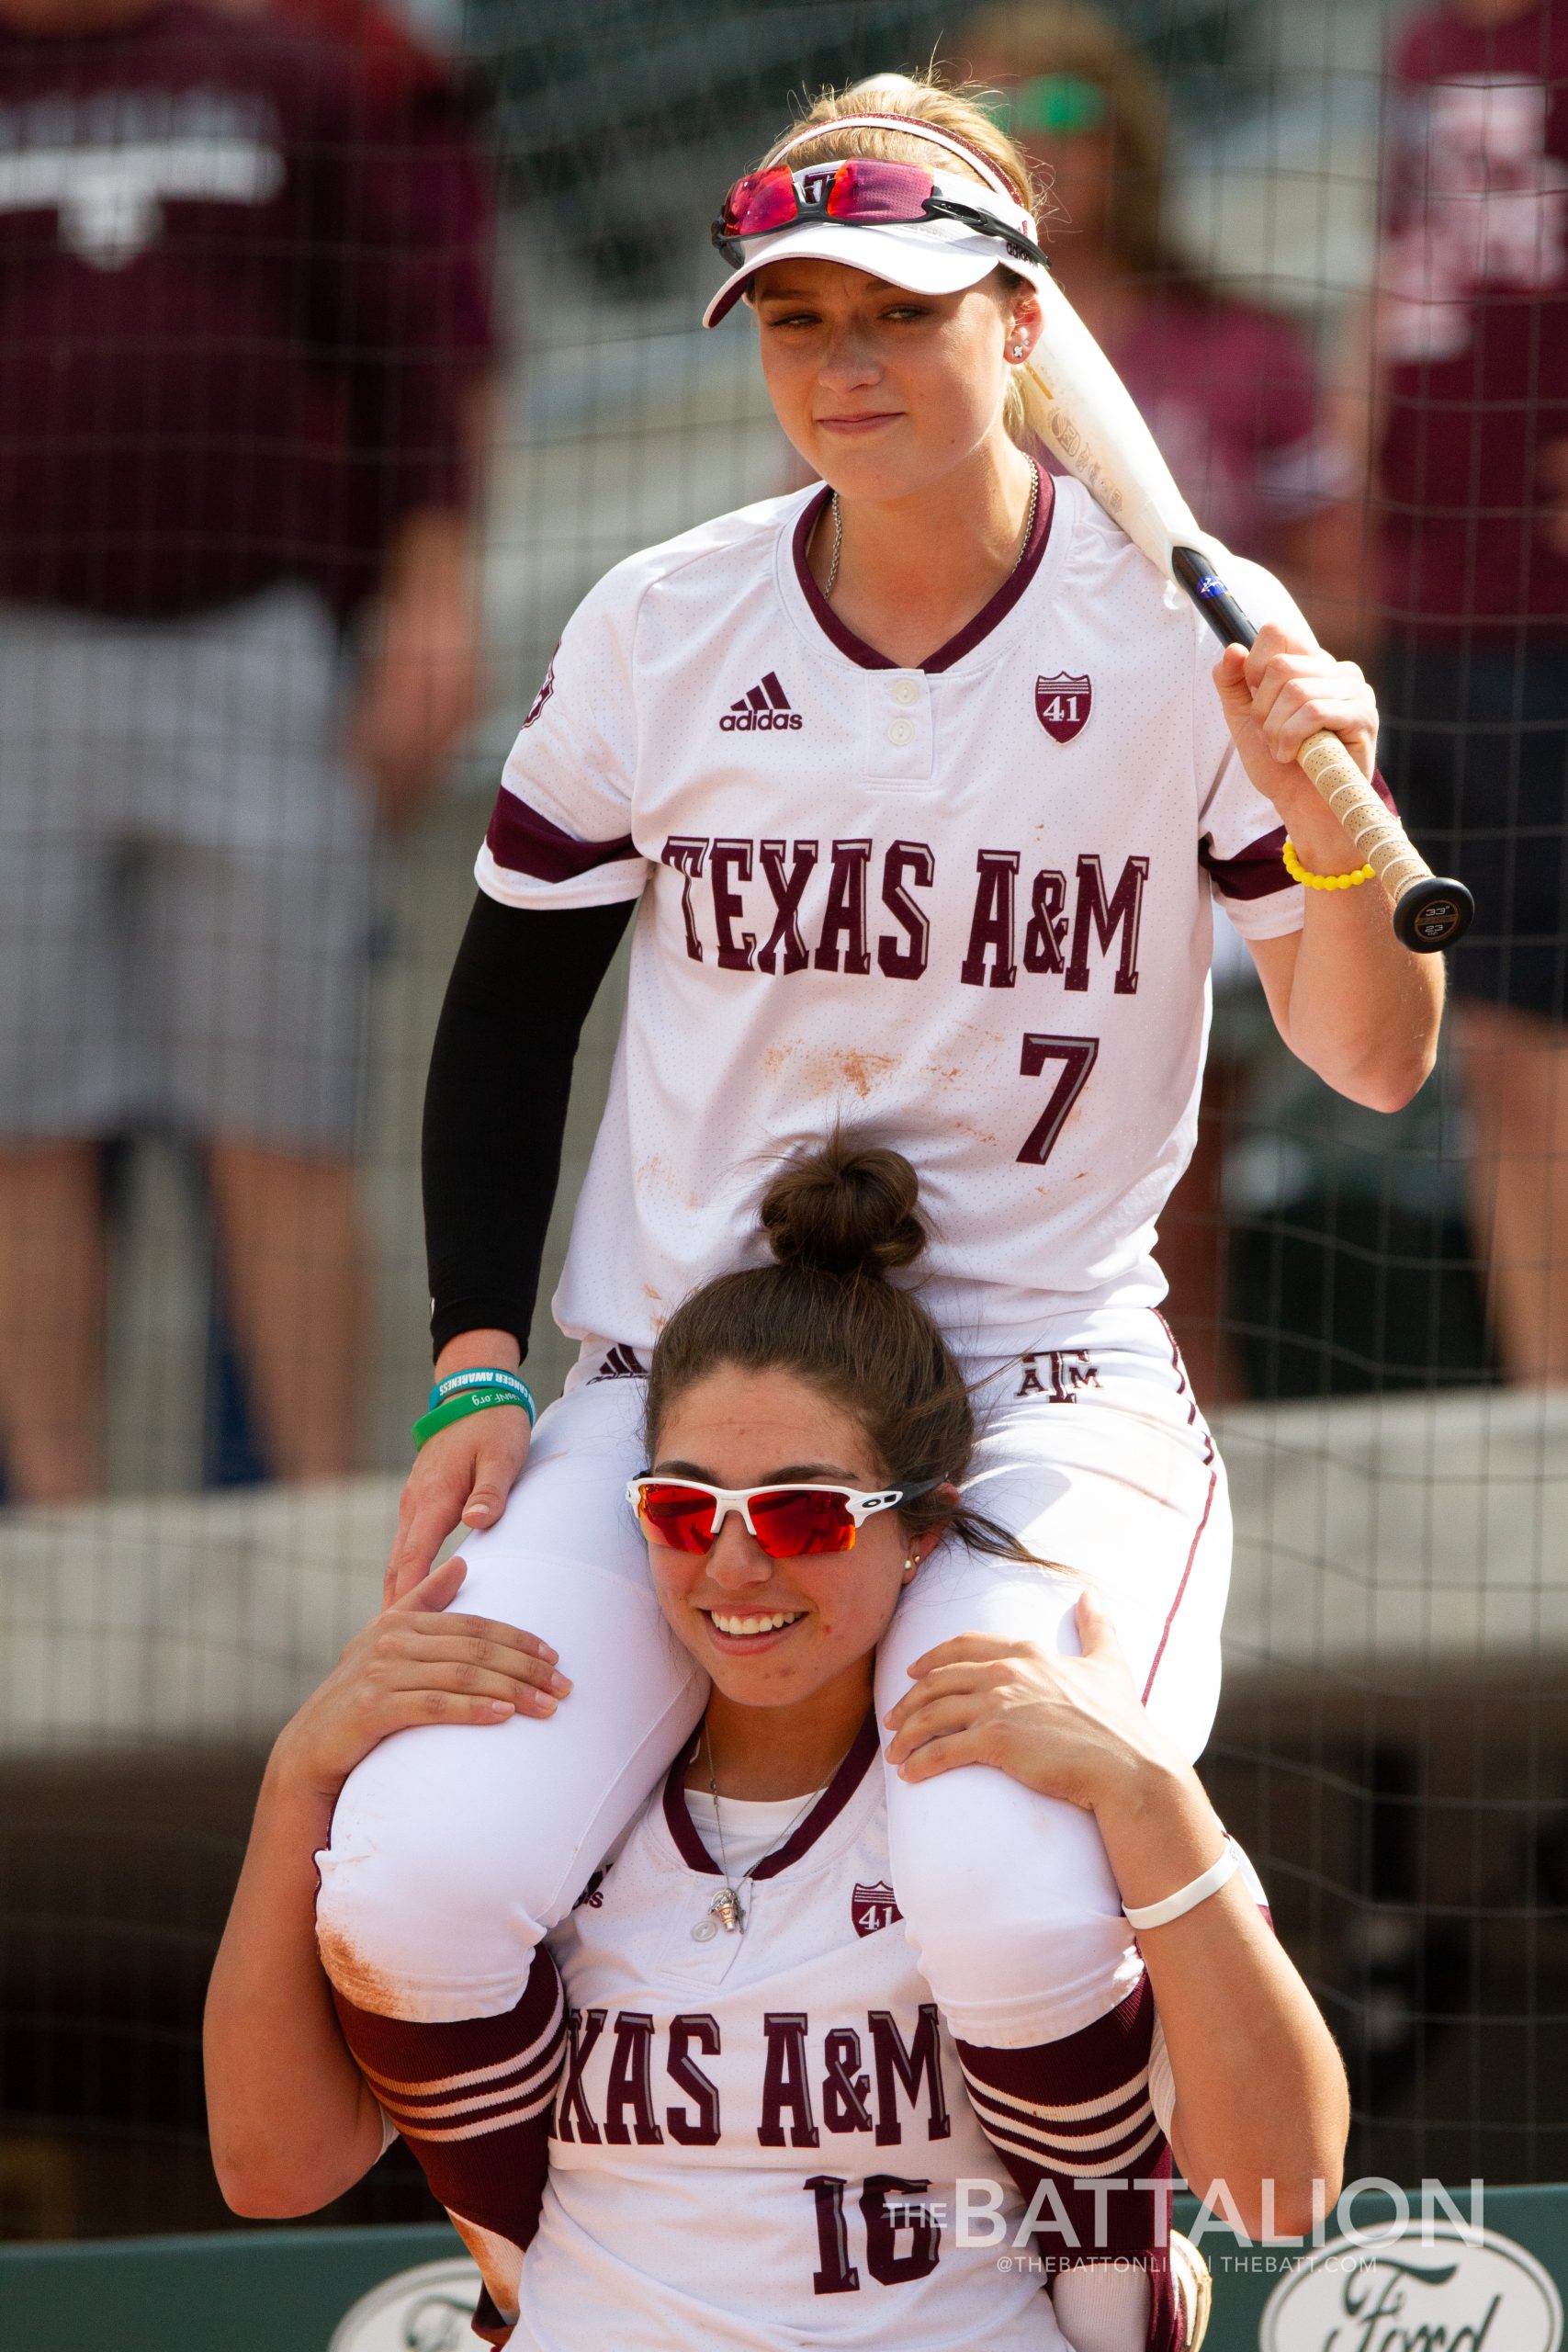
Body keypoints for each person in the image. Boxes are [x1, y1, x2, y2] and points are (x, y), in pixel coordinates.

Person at [312, 64, 1438, 2352]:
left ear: (1018, 322)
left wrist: (1325, 808)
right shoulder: (658, 622)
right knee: (414, 1879)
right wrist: (472, 1351)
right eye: (790, 315)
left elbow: (1371, 1050)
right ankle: (554, 2278)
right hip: (680, 1387)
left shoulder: (1168, 645)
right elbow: (506, 1010)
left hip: (1029, 1386)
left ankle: (1107, 2281)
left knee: (1021, 1895)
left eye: (897, 313)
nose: (839, 362)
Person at [207, 1140, 1350, 2349]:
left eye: (804, 1514)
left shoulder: (1022, 1800)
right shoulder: (547, 1805)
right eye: (684, 1510)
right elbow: (272, 2171)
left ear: (922, 1527)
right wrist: (300, 1783)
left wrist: (1154, 1795)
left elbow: (1282, 2188)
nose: (737, 1564)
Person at [0, 0, 491, 1499]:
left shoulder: (282, 74)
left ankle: (323, 1542)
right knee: (20, 1130)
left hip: (258, 645)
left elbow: (407, 352)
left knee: (284, 1123)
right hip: (13, 662)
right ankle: (53, 1559)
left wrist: (430, 593)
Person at [953, 1, 1366, 1402]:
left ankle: (1198, 1467)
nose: (1040, 151)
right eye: (999, 121)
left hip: (1214, 807)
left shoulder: (1236, 344)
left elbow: (1338, 586)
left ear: (1131, 134)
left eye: (1063, 116)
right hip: (989, 821)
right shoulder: (927, 369)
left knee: (1162, 1217)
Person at [1362, 0, 1568, 1381]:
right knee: (1497, 1040)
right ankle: (1545, 1406)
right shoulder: (1422, 43)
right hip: (1437, 612)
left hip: (1546, 620)